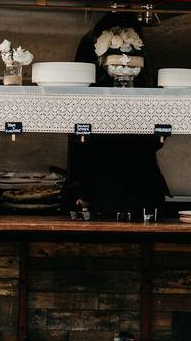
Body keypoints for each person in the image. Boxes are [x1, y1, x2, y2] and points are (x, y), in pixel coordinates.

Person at [69, 12, 170, 218]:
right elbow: (157, 140)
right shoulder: (146, 87)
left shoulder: (91, 89)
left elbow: (78, 140)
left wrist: (79, 187)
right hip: (140, 190)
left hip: (102, 188)